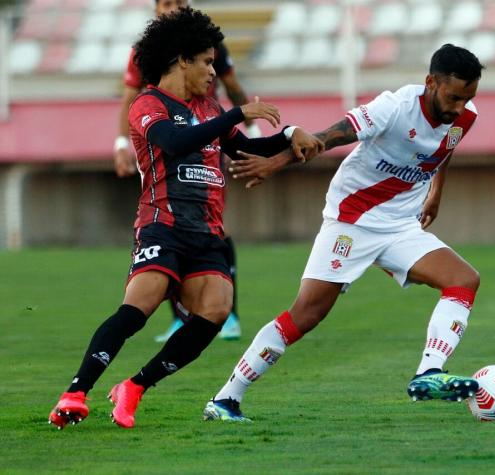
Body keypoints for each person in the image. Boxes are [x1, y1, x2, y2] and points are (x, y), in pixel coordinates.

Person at [48, 7, 323, 430]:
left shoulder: (210, 108)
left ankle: (135, 387)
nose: (213, 71)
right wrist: (238, 114)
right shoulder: (148, 103)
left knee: (216, 309)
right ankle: (75, 393)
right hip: (162, 223)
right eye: (207, 61)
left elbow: (248, 149)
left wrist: (291, 135)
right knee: (140, 305)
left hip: (207, 231)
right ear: (182, 60)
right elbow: (174, 142)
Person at [203, 44, 485, 422]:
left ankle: (428, 373)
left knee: (464, 280)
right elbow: (333, 135)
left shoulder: (465, 115)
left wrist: (435, 191)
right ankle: (225, 399)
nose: (458, 107)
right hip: (351, 221)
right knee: (306, 314)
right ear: (430, 82)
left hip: (401, 225)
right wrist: (277, 161)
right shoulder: (395, 107)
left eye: (467, 98)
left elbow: (444, 149)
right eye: (453, 97)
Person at [114, 0, 257, 342]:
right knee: (164, 219)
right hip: (165, 132)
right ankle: (180, 311)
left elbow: (233, 85)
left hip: (208, 131)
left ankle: (228, 313)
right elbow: (130, 95)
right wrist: (121, 142)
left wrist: (249, 128)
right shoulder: (144, 52)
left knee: (210, 221)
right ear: (156, 8)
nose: (173, 7)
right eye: (167, 2)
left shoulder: (207, 43)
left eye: (179, 2)